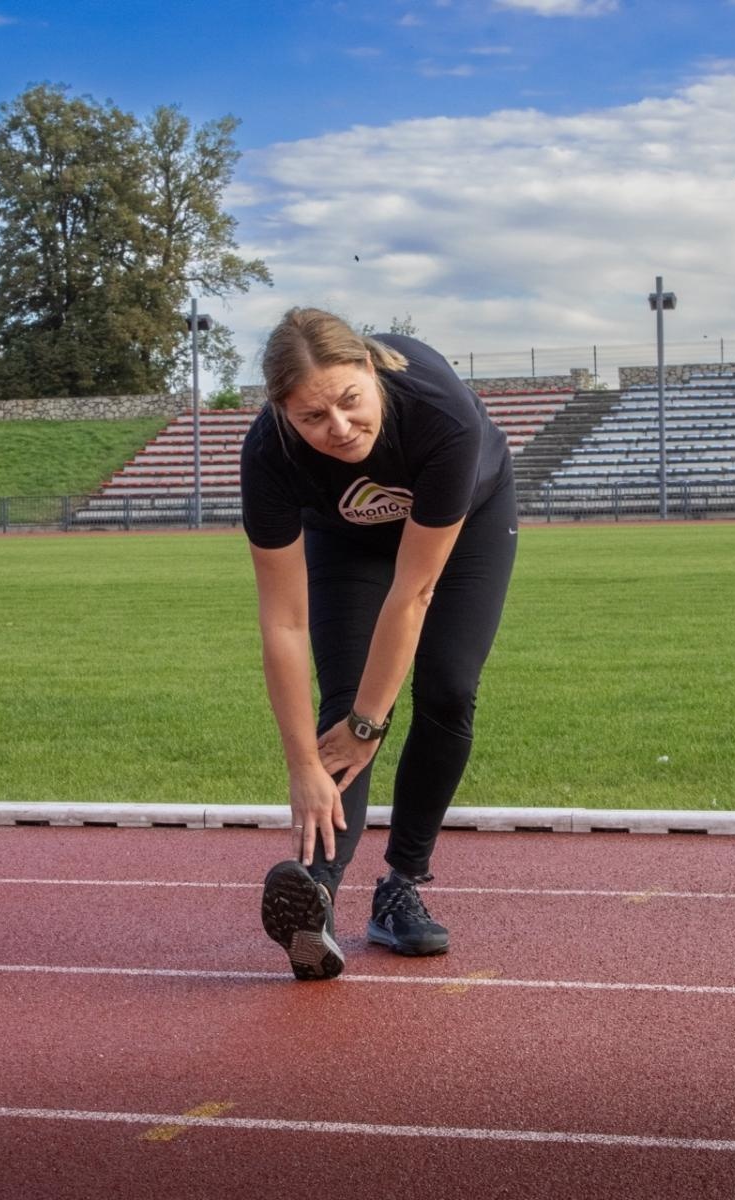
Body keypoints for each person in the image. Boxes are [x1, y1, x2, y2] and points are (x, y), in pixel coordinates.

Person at [241, 307, 517, 981]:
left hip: (465, 524)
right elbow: (283, 623)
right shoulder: (269, 454)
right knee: (344, 705)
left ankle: (401, 887)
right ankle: (316, 895)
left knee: (447, 688)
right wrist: (302, 763)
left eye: (348, 400)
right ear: (280, 412)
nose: (338, 428)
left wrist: (371, 725)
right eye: (311, 417)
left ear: (369, 368)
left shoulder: (439, 412)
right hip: (346, 540)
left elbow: (413, 594)